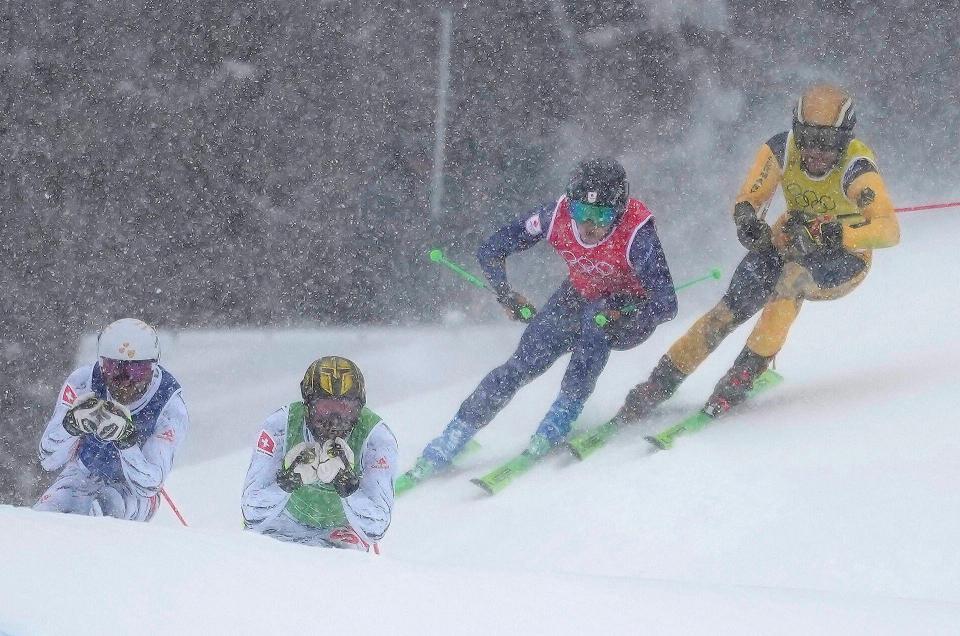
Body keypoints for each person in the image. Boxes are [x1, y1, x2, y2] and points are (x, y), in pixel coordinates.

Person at [614, 84, 899, 424]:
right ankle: (659, 382)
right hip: (791, 240)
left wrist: (842, 235)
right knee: (729, 308)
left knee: (792, 280)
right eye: (808, 139)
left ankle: (743, 374)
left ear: (845, 140)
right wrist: (747, 220)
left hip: (844, 258)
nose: (816, 153)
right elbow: (749, 197)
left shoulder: (857, 168)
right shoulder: (782, 149)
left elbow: (889, 230)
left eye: (829, 143)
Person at [400, 157, 677, 485]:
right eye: (580, 212)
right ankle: (456, 432)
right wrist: (507, 295)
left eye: (601, 215)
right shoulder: (554, 215)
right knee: (524, 361)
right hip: (578, 294)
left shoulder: (637, 233)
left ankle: (562, 414)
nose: (588, 225)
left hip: (628, 311)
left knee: (595, 324)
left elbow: (666, 304)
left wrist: (629, 314)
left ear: (618, 208)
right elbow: (491, 250)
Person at [34, 318, 189, 521]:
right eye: (113, 368)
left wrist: (127, 443)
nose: (125, 381)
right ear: (101, 363)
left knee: (107, 507)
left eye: (137, 370)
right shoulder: (83, 383)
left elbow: (149, 485)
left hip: (133, 490)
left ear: (153, 366)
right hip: (83, 472)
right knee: (45, 513)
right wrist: (70, 427)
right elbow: (48, 460)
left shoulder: (168, 404)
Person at [242, 356, 398, 550]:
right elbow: (251, 514)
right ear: (307, 405)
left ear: (359, 407)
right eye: (325, 408)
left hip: (341, 531)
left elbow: (376, 528)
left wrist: (348, 487)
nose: (334, 421)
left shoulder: (378, 439)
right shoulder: (279, 426)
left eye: (345, 408)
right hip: (283, 524)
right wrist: (286, 482)